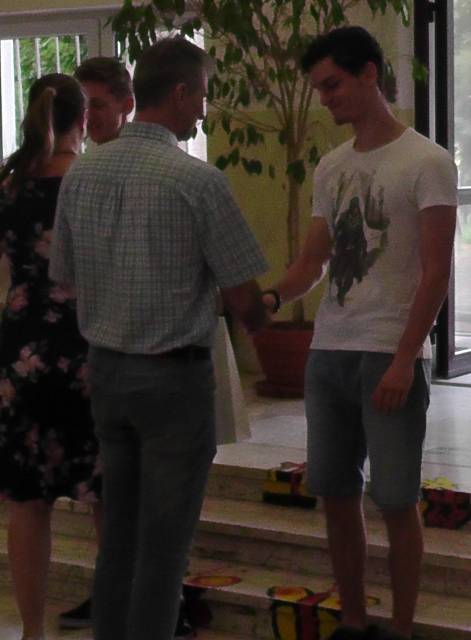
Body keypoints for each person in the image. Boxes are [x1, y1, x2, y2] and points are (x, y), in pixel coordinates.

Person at [49, 36, 269, 640]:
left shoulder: (81, 174)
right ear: (179, 92)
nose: (202, 109)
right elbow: (245, 300)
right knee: (165, 546)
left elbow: (64, 275)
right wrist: (267, 311)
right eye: (201, 95)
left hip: (107, 375)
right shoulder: (197, 181)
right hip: (172, 382)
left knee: (119, 537)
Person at [262, 26, 457, 640]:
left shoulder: (427, 161)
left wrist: (404, 357)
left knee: (396, 499)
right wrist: (270, 298)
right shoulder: (332, 166)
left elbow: (436, 271)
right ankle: (352, 620)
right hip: (329, 353)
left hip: (387, 354)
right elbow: (312, 261)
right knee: (335, 494)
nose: (324, 99)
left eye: (333, 85)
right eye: (319, 88)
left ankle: (400, 627)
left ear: (370, 74)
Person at [0, 73, 100, 640]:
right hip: (90, 347)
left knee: (26, 501)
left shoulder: (9, 186)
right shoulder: (93, 181)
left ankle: (33, 631)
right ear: (83, 120)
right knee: (106, 495)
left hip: (23, 352)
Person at [57, 55, 136, 634]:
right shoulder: (79, 173)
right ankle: (111, 589)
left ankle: (158, 597)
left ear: (126, 105)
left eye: (99, 106)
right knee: (101, 482)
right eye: (82, 107)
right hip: (94, 341)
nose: (90, 117)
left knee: (146, 487)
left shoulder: (143, 167)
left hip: (143, 344)